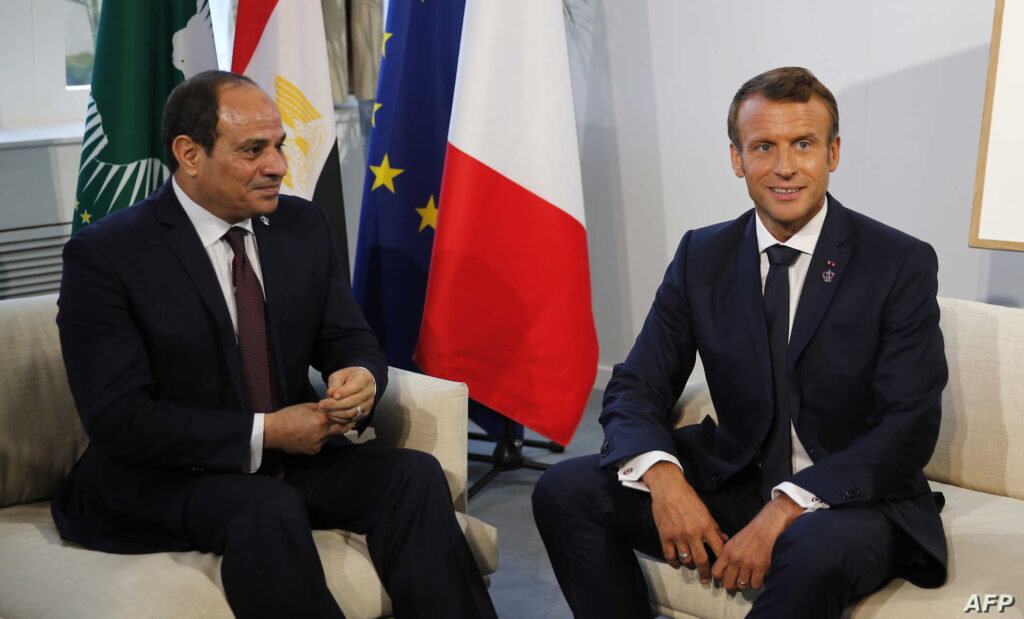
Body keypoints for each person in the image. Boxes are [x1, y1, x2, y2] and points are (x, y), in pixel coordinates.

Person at [53, 70, 497, 619]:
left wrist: (358, 376)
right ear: (189, 154)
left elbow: (348, 337)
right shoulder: (107, 256)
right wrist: (266, 432)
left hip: (287, 460)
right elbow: (119, 420)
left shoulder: (301, 226)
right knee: (265, 507)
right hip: (160, 478)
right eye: (253, 150)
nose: (279, 166)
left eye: (279, 146)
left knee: (411, 476)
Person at [532, 67, 948, 618]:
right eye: (762, 147)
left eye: (803, 144)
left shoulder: (898, 262)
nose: (784, 167)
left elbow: (907, 427)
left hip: (853, 499)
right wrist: (664, 478)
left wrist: (783, 511)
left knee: (809, 545)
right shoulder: (701, 256)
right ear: (737, 159)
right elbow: (636, 386)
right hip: (735, 479)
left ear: (833, 152)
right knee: (564, 489)